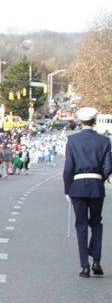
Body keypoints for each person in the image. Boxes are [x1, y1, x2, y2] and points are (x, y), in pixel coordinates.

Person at [62, 107, 112, 278]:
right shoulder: (104, 141)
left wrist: (67, 188)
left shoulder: (72, 140)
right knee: (96, 223)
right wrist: (99, 178)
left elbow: (68, 168)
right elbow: (108, 167)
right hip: (96, 185)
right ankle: (96, 259)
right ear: (95, 121)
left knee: (81, 225)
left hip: (77, 185)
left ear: (80, 121)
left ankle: (84, 265)